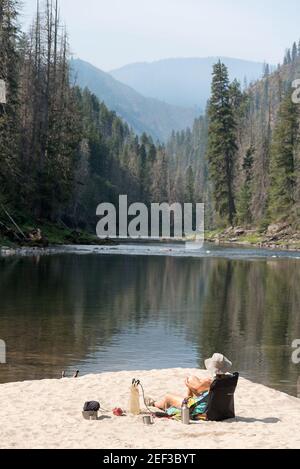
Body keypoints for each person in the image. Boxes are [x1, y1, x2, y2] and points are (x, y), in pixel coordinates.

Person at [145, 353, 232, 411]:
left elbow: (197, 391)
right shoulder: (229, 380)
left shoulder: (210, 382)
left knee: (168, 397)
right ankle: (184, 400)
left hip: (200, 409)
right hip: (218, 409)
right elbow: (201, 391)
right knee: (192, 378)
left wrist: (188, 385)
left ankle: (154, 404)